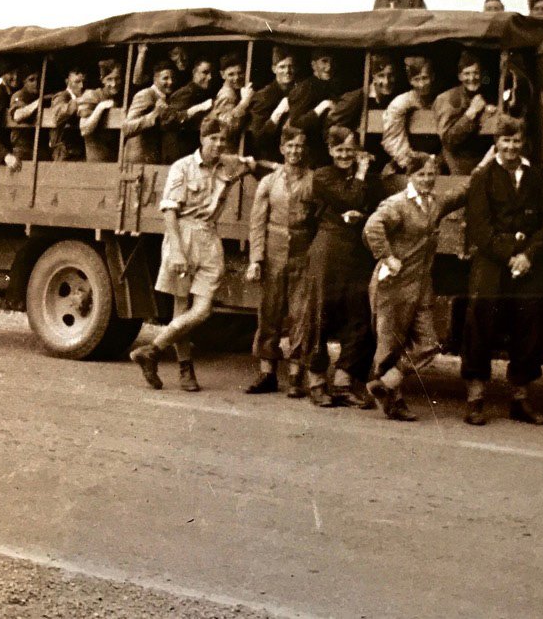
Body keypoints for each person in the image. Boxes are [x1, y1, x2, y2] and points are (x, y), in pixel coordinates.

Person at [129, 118, 274, 392]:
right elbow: (170, 212)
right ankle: (186, 371)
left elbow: (254, 163)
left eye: (222, 140)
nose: (218, 144)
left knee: (203, 310)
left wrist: (278, 168)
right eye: (213, 139)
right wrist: (177, 252)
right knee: (181, 308)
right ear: (202, 139)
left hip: (209, 237)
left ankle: (152, 350)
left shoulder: (229, 164)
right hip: (182, 235)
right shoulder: (182, 168)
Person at [461, 118, 543, 426]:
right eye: (506, 141)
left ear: (522, 142)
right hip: (492, 261)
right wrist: (509, 254)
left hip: (527, 263)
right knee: (480, 321)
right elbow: (478, 227)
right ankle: (475, 399)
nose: (511, 147)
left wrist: (527, 256)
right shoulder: (483, 177)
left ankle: (520, 399)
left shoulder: (536, 178)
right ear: (496, 143)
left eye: (516, 141)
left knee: (529, 322)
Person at [362, 152, 467, 422]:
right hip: (393, 284)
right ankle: (393, 402)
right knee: (389, 346)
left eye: (431, 174)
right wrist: (387, 256)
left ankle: (384, 386)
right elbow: (373, 226)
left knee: (429, 344)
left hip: (420, 285)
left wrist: (492, 159)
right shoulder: (398, 204)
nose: (427, 179)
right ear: (410, 176)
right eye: (421, 174)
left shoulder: (434, 203)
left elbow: (462, 192)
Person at [293, 126, 379, 408]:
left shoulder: (365, 176)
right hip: (328, 250)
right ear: (331, 151)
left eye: (350, 151)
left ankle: (343, 381)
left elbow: (370, 203)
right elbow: (352, 196)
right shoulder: (323, 175)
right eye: (340, 150)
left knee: (359, 316)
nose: (345, 156)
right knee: (320, 315)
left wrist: (360, 213)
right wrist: (361, 178)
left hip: (356, 251)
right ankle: (316, 380)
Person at [244, 126, 315, 398]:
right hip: (273, 253)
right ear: (282, 149)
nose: (295, 151)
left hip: (302, 253)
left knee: (301, 315)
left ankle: (296, 375)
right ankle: (267, 372)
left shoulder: (312, 180)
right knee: (269, 313)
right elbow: (257, 223)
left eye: (299, 146)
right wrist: (256, 259)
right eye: (290, 146)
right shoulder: (269, 182)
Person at [433, 50, 495, 175]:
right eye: (467, 74)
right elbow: (448, 140)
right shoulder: (449, 98)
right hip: (457, 162)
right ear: (460, 76)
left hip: (480, 158)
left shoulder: (485, 95)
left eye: (476, 73)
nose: (472, 78)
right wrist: (471, 113)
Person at [381, 55, 435, 172]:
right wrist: (409, 162)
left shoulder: (439, 100)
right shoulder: (401, 103)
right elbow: (392, 138)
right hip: (410, 163)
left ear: (432, 77)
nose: (421, 84)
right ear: (410, 81)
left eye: (425, 78)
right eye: (416, 79)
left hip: (436, 160)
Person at [287, 49, 340, 163]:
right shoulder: (306, 87)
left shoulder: (331, 86)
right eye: (324, 61)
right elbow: (296, 123)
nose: (329, 67)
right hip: (308, 151)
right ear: (314, 65)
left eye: (332, 62)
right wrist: (322, 106)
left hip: (325, 148)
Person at [122, 60, 179, 165]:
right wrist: (154, 114)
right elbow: (127, 127)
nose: (170, 82)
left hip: (154, 160)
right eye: (165, 78)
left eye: (173, 78)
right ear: (155, 79)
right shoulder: (145, 94)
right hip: (138, 162)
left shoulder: (166, 98)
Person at [247, 46, 295, 162]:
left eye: (290, 66)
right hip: (270, 159)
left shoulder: (298, 91)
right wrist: (277, 113)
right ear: (274, 69)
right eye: (282, 67)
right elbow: (258, 139)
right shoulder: (264, 96)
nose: (287, 71)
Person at [167, 59, 217, 160]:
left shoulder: (203, 92)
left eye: (212, 73)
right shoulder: (185, 93)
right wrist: (199, 108)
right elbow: (171, 120)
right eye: (205, 72)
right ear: (194, 73)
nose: (210, 77)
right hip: (179, 153)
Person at [78, 59, 123, 162]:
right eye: (109, 79)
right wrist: (100, 107)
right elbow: (84, 129)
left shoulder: (120, 98)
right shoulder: (92, 95)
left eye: (117, 79)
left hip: (115, 160)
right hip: (97, 161)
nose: (114, 83)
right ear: (102, 80)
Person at [210, 52, 254, 141]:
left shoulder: (234, 92)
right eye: (231, 74)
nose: (236, 77)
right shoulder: (227, 95)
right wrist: (244, 103)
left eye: (240, 73)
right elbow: (226, 127)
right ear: (222, 75)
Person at [49, 66, 86, 161]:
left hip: (77, 151)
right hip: (63, 152)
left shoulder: (81, 96)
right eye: (77, 82)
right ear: (67, 82)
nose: (81, 86)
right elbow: (58, 115)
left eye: (83, 82)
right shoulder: (62, 96)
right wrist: (77, 102)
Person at [8, 66, 43, 162]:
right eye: (31, 80)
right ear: (24, 81)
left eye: (39, 80)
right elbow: (17, 115)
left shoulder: (36, 94)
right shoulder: (19, 95)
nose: (36, 83)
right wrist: (39, 102)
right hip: (22, 148)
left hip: (36, 147)